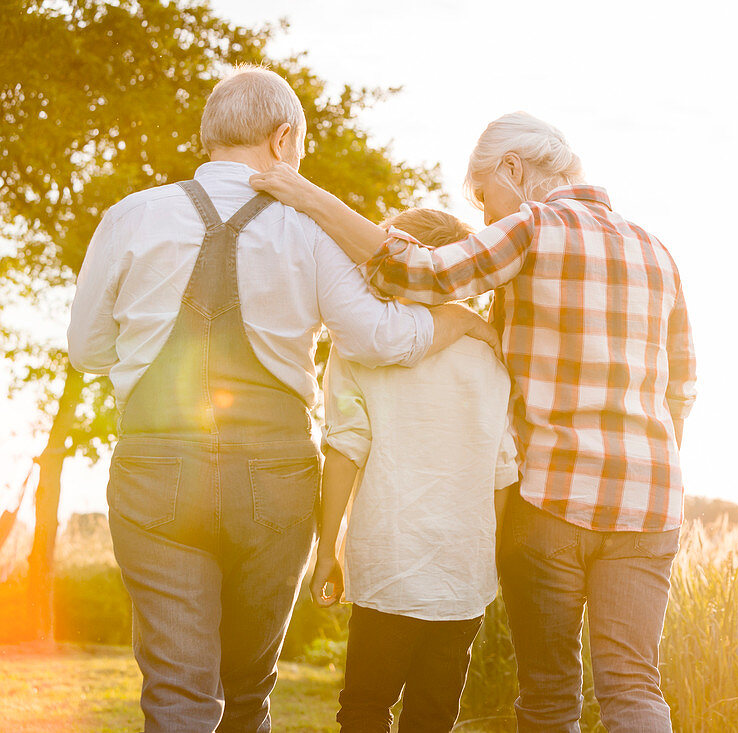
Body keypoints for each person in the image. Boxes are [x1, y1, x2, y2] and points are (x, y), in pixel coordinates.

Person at [66, 66, 494, 733]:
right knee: (245, 695)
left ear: (210, 136)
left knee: (178, 694)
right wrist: (456, 321)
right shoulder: (309, 230)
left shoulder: (129, 217)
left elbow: (88, 348)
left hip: (153, 476)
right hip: (273, 482)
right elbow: (378, 337)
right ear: (283, 138)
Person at [250, 111, 697, 733]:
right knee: (634, 688)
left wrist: (307, 195)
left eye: (486, 197)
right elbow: (682, 388)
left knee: (550, 693)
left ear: (513, 170)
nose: (489, 219)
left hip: (553, 498)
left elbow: (419, 273)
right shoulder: (657, 250)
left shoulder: (532, 228)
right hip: (650, 504)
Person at [310, 207, 519, 733]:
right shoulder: (490, 355)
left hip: (389, 561)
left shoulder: (360, 347)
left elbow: (343, 451)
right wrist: (484, 559)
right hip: (462, 573)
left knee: (364, 706)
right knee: (433, 715)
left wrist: (326, 550)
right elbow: (502, 472)